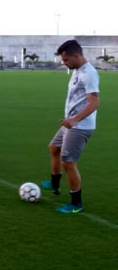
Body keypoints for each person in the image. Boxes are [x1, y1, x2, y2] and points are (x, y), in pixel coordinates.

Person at [41, 40, 100, 214]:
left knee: (68, 162)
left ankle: (76, 204)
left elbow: (95, 102)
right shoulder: (76, 70)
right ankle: (54, 183)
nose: (64, 63)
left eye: (66, 60)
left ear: (77, 55)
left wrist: (74, 120)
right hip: (70, 123)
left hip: (80, 126)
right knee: (53, 148)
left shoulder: (89, 73)